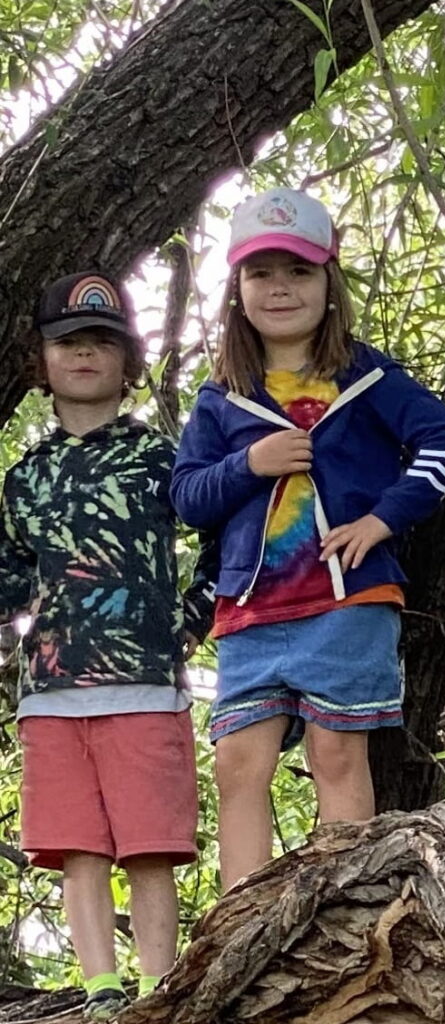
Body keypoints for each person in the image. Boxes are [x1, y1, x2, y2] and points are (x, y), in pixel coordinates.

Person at [171, 187, 445, 891]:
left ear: (329, 283)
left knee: (337, 754)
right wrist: (250, 464)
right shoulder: (222, 394)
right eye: (261, 273)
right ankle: (240, 916)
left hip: (346, 602)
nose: (280, 288)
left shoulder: (368, 377)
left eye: (299, 271)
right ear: (238, 291)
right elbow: (187, 497)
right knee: (238, 764)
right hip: (249, 609)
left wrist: (382, 519)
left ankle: (341, 909)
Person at [0, 272, 215, 1020]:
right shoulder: (25, 479)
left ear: (130, 361)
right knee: (77, 848)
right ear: (41, 361)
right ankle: (99, 989)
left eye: (102, 342)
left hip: (146, 685)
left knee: (151, 847)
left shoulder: (163, 459)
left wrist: (193, 619)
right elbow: (9, 579)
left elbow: (223, 540)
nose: (85, 354)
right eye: (68, 343)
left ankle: (159, 989)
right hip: (51, 693)